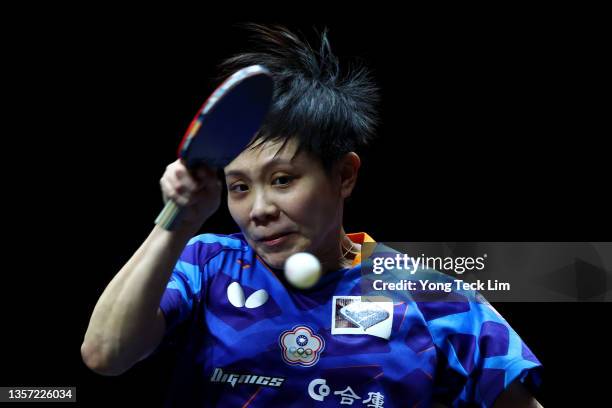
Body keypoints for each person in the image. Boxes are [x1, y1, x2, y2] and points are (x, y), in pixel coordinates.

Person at [81, 24, 543, 407]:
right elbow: (105, 354)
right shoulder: (205, 266)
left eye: (282, 180)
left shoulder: (434, 298)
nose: (259, 210)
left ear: (344, 175)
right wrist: (174, 223)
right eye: (239, 187)